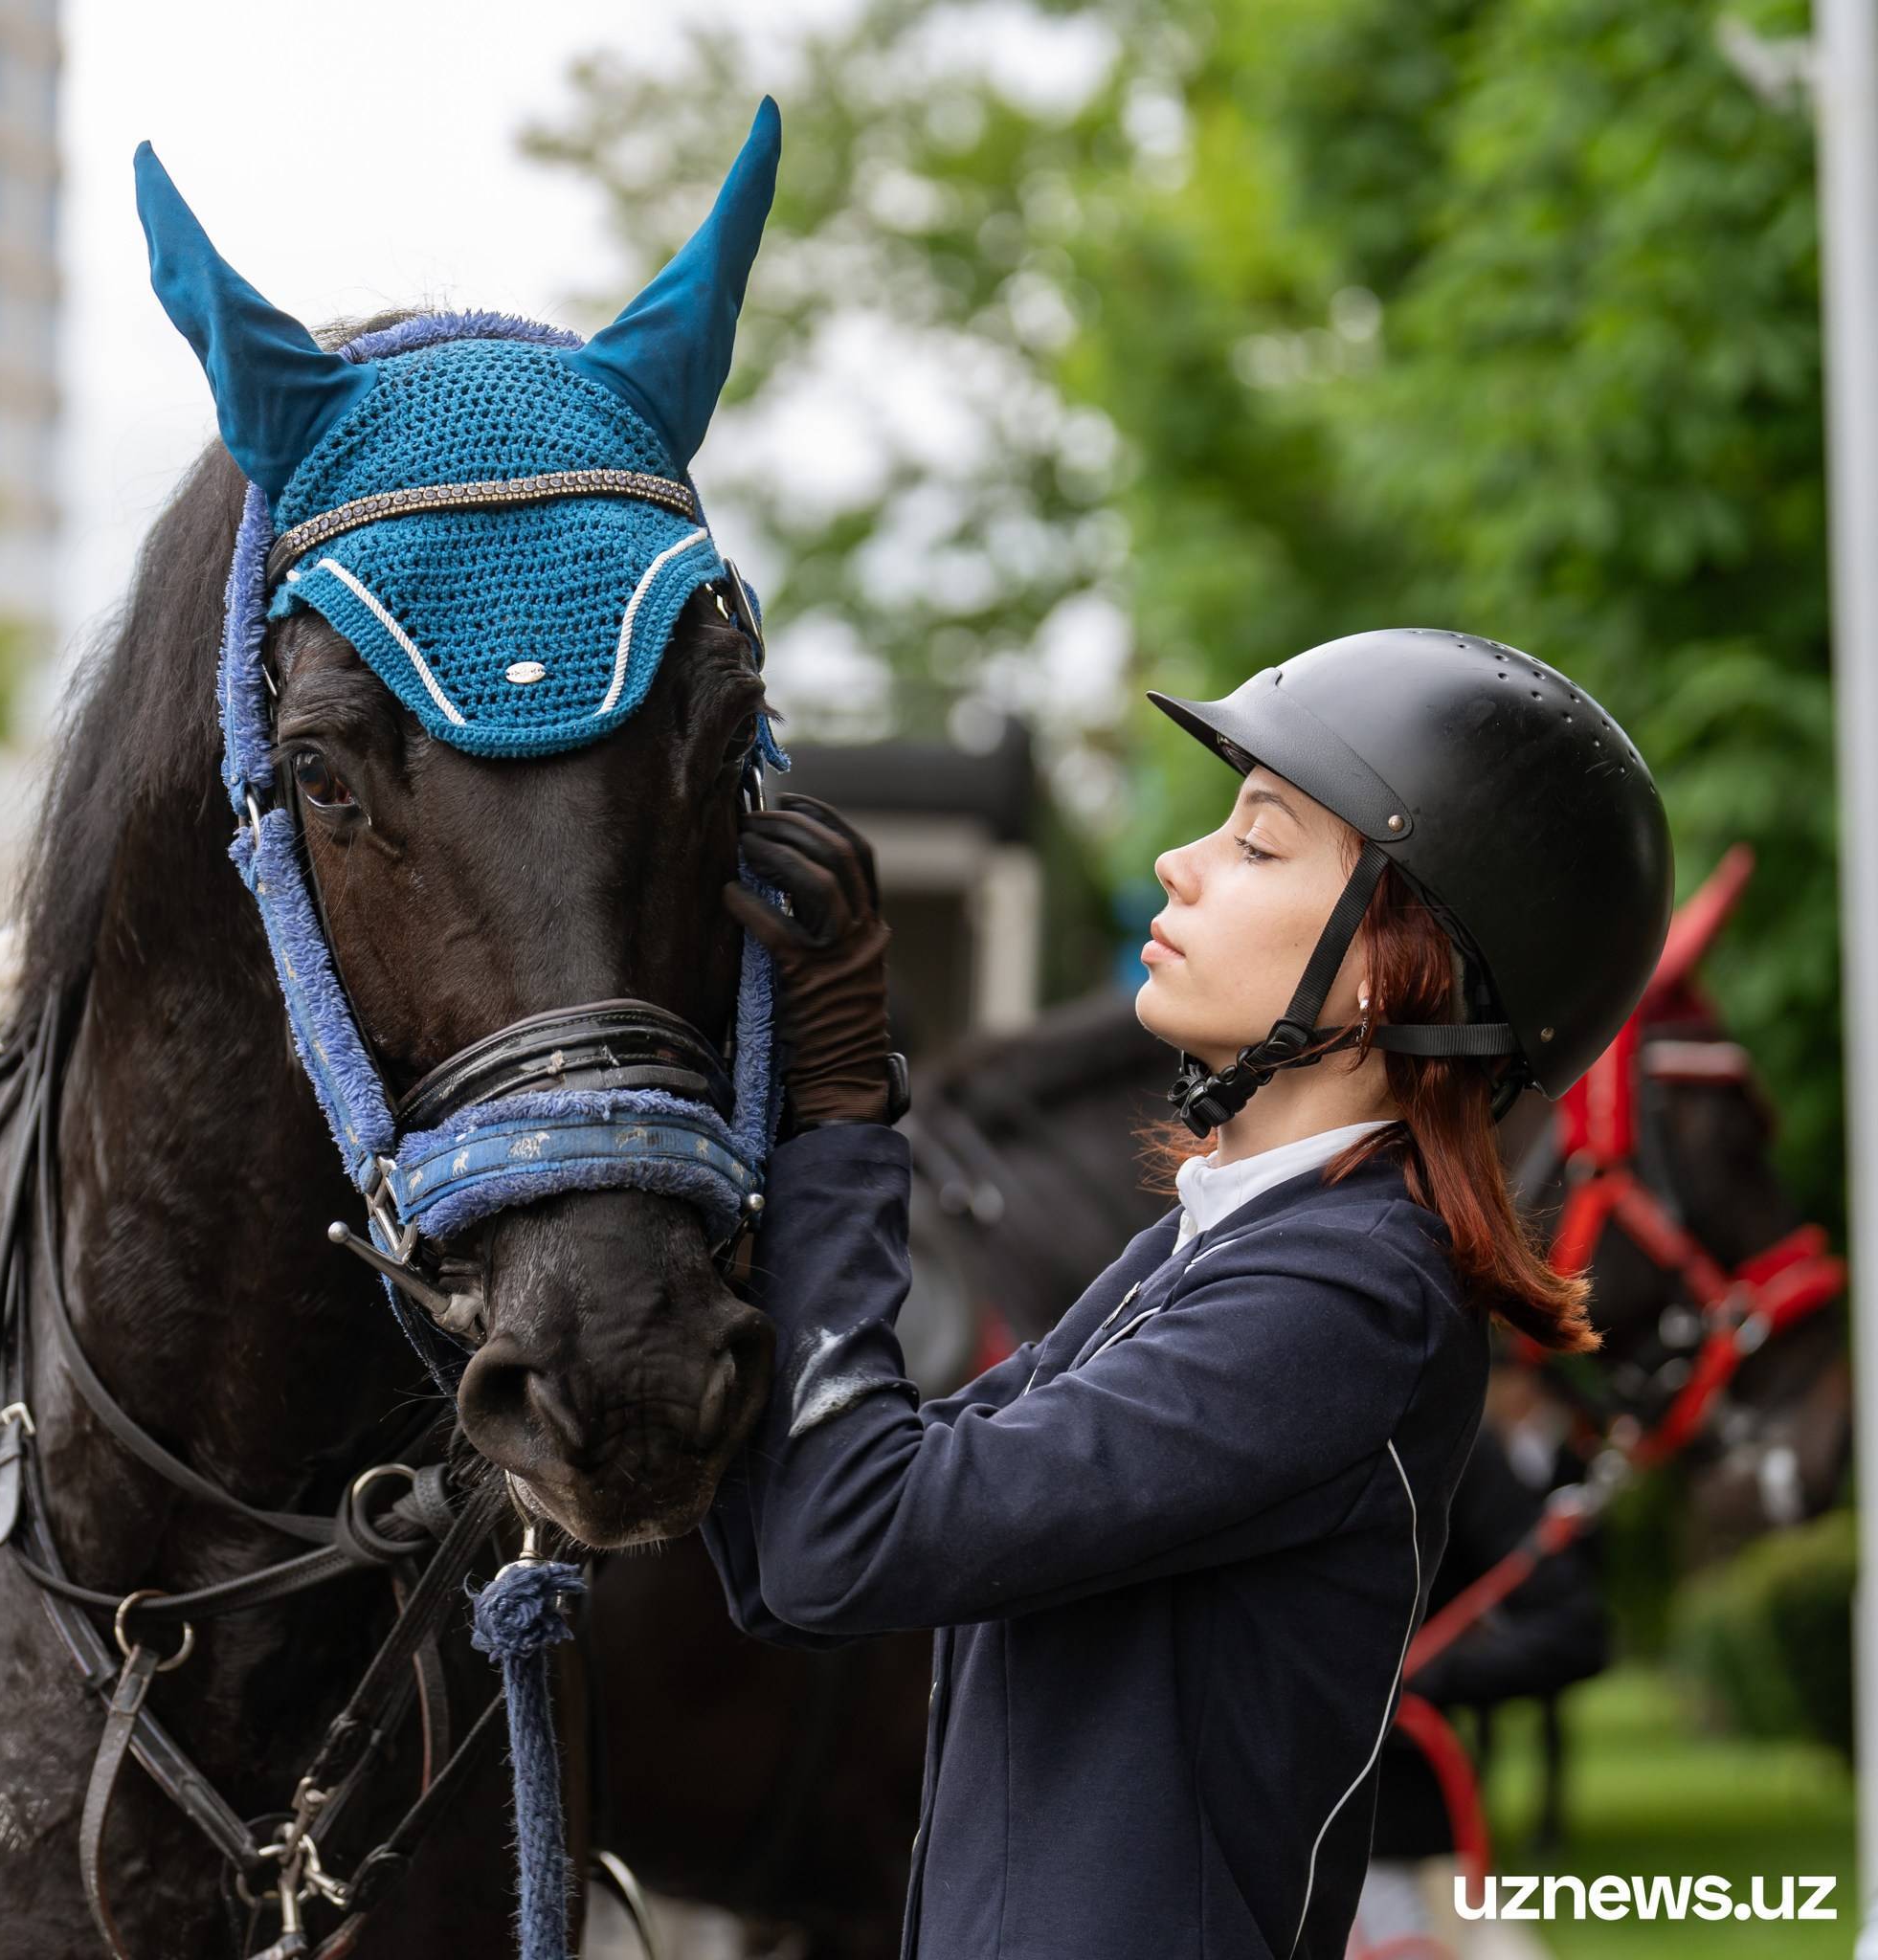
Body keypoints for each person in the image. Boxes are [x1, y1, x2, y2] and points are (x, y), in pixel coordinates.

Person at [702, 628, 1673, 1959]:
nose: (1180, 861)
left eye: (1259, 844)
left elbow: (851, 1541)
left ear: (1397, 969)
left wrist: (841, 1123)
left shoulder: (1345, 1301)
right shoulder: (1223, 1246)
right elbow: (788, 1556)